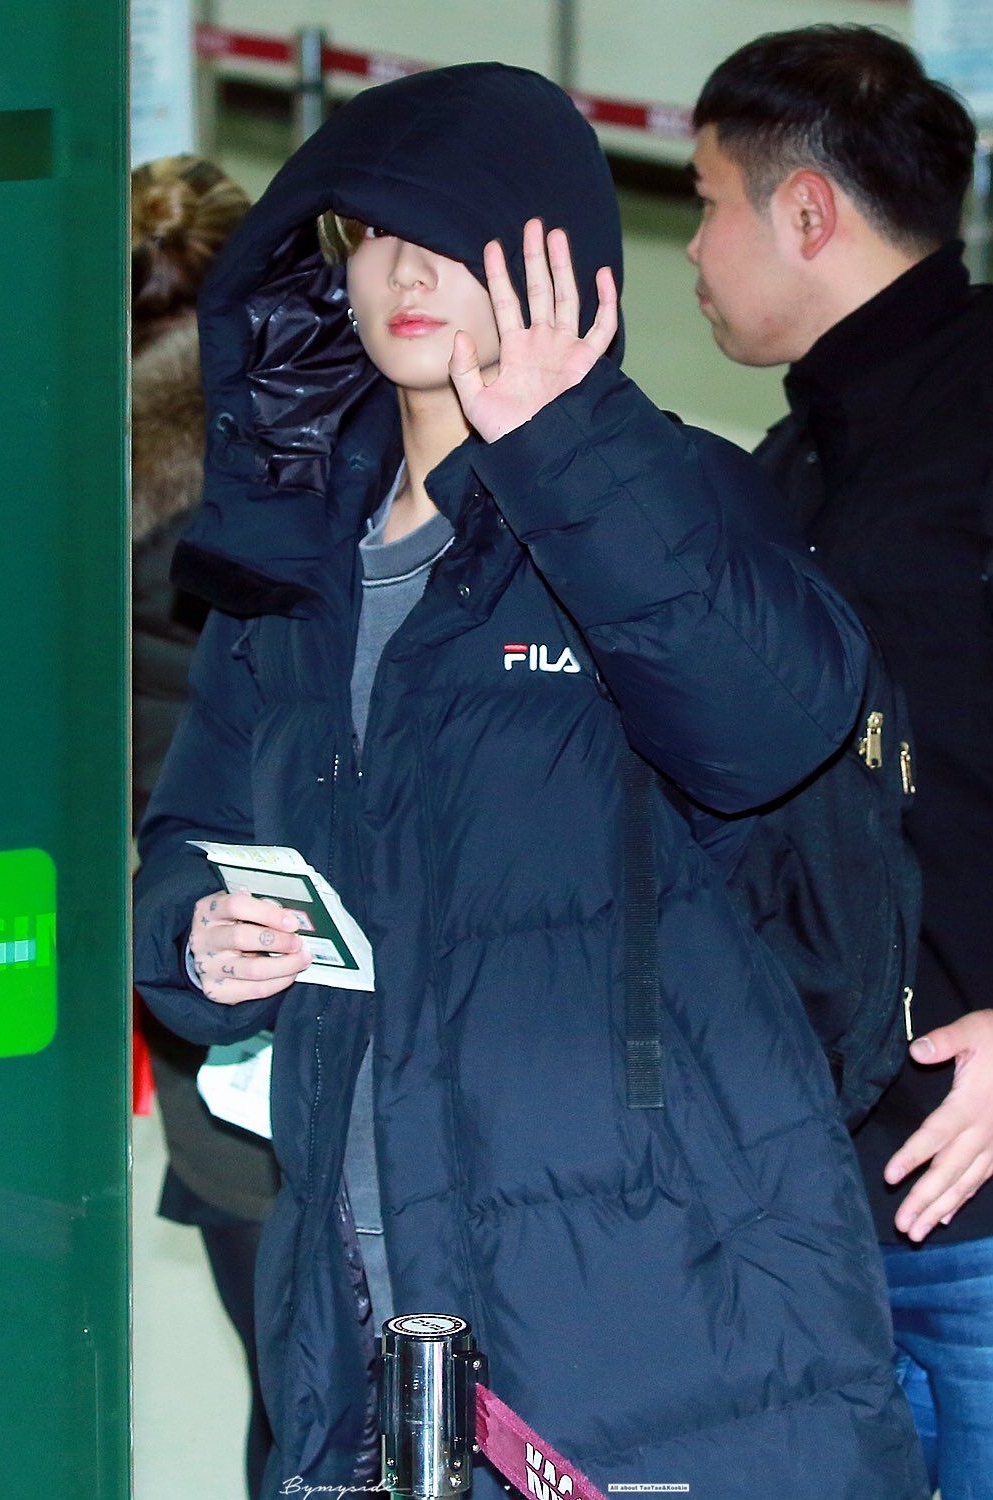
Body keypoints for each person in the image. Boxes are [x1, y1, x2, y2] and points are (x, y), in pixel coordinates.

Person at [134, 63, 928, 1499]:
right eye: (374, 234)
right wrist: (195, 936)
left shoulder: (665, 493)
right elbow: (191, 831)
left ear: (558, 265)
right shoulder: (291, 560)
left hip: (660, 1291)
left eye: (456, 238)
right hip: (361, 1289)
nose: (406, 273)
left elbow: (769, 727)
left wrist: (565, 448)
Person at [689, 25, 993, 1497]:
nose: (693, 247)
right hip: (822, 1209)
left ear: (804, 211)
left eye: (706, 203)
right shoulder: (796, 465)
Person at [131, 154, 278, 1499]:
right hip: (306, 955)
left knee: (278, 1392)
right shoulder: (297, 479)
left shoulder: (55, 486)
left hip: (183, 968)